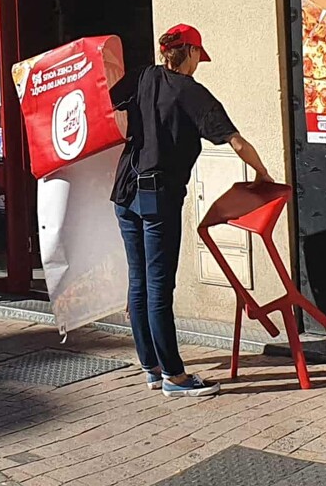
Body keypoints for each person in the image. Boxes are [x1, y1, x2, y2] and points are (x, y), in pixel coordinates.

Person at [110, 24, 272, 398]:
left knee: (138, 281)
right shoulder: (191, 92)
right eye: (199, 55)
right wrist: (263, 173)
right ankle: (174, 376)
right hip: (157, 196)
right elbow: (236, 141)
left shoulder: (142, 77)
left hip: (124, 191)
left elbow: (108, 106)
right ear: (193, 53)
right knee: (158, 287)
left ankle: (151, 368)